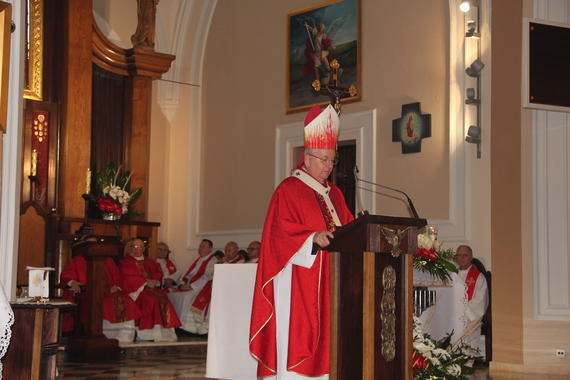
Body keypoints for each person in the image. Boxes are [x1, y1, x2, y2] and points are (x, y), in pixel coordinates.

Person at [250, 104, 354, 379]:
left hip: (333, 279)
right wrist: (312, 237)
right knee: (301, 335)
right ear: (306, 159)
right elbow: (278, 233)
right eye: (323, 159)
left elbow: (350, 229)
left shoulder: (336, 194)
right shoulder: (289, 189)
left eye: (332, 160)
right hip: (299, 280)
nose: (329, 166)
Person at [59, 235, 142, 342]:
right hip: (87, 293)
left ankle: (125, 335)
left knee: (127, 300)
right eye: (90, 244)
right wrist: (72, 282)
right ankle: (101, 334)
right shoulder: (77, 260)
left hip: (108, 291)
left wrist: (116, 285)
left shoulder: (107, 260)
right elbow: (66, 275)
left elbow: (117, 276)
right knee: (103, 301)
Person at [119, 238, 181, 341]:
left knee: (163, 297)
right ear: (130, 248)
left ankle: (164, 333)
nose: (136, 249)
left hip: (151, 288)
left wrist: (155, 281)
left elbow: (158, 273)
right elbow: (128, 277)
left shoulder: (149, 261)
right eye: (133, 246)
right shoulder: (125, 262)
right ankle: (146, 333)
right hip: (136, 291)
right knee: (150, 299)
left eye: (139, 247)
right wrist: (146, 283)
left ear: (143, 249)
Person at [168, 239, 217, 336]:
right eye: (200, 246)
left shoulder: (212, 261)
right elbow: (189, 275)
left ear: (210, 249)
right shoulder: (199, 260)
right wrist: (182, 283)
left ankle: (182, 326)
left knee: (186, 297)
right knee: (171, 295)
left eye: (203, 246)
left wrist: (190, 287)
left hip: (202, 288)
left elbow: (205, 278)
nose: (200, 248)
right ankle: (173, 323)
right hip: (192, 285)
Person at [456, 245, 489, 351]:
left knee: (467, 346)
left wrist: (463, 310)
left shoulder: (479, 277)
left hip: (470, 317)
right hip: (453, 317)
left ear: (471, 257)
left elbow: (480, 300)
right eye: (459, 255)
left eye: (465, 255)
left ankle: (467, 366)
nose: (462, 257)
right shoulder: (452, 275)